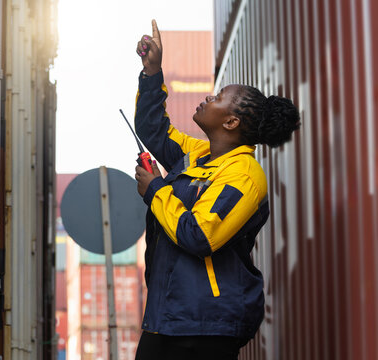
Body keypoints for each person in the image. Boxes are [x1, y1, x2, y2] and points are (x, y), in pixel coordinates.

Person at [133, 20, 300, 360]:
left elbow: (200, 236)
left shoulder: (245, 176)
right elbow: (155, 131)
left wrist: (156, 190)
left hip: (207, 325)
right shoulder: (196, 156)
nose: (210, 96)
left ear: (231, 122)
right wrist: (152, 73)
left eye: (220, 96)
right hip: (167, 316)